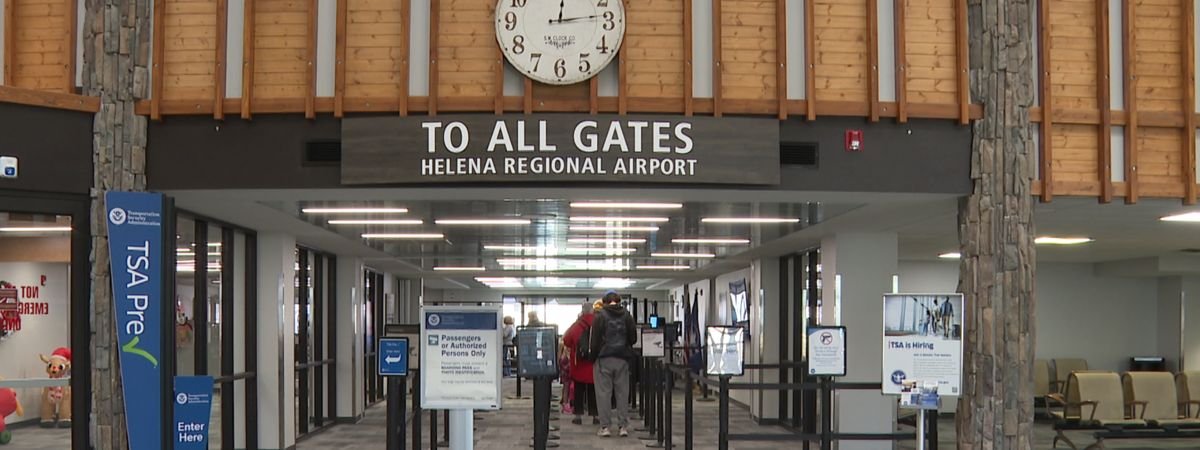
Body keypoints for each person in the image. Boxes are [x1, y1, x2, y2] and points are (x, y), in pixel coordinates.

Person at [589, 291, 636, 437]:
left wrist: (593, 357)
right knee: (622, 393)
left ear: (604, 302)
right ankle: (623, 426)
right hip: (622, 358)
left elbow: (595, 340)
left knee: (604, 394)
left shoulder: (600, 316)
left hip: (604, 358)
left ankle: (605, 427)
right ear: (619, 301)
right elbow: (633, 338)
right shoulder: (627, 315)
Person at [564, 300, 603, 425]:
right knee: (593, 390)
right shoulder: (599, 323)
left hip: (579, 363)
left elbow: (566, 340)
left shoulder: (577, 325)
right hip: (594, 362)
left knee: (579, 390)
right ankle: (595, 415)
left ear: (582, 311)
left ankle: (578, 415)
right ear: (593, 310)